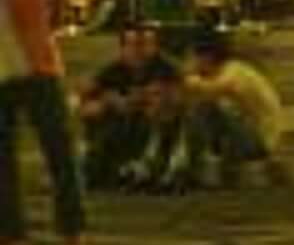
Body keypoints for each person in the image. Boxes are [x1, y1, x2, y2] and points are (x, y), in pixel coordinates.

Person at [0, 0, 90, 245]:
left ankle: (11, 239)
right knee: (61, 155)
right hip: (42, 66)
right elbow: (60, 16)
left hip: (1, 70)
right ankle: (74, 238)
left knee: (3, 160)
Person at [144, 27, 283, 191]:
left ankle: (203, 163)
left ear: (206, 57)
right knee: (191, 108)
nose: (189, 61)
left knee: (204, 108)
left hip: (259, 141)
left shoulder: (235, 71)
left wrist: (180, 78)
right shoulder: (217, 73)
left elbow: (215, 88)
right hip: (243, 137)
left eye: (191, 56)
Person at [74, 17, 179, 189]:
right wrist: (107, 103)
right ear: (123, 49)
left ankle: (146, 167)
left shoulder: (165, 69)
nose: (140, 51)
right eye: (134, 45)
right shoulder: (111, 73)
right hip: (117, 131)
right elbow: (83, 105)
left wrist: (155, 98)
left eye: (146, 44)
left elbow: (179, 99)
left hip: (153, 130)